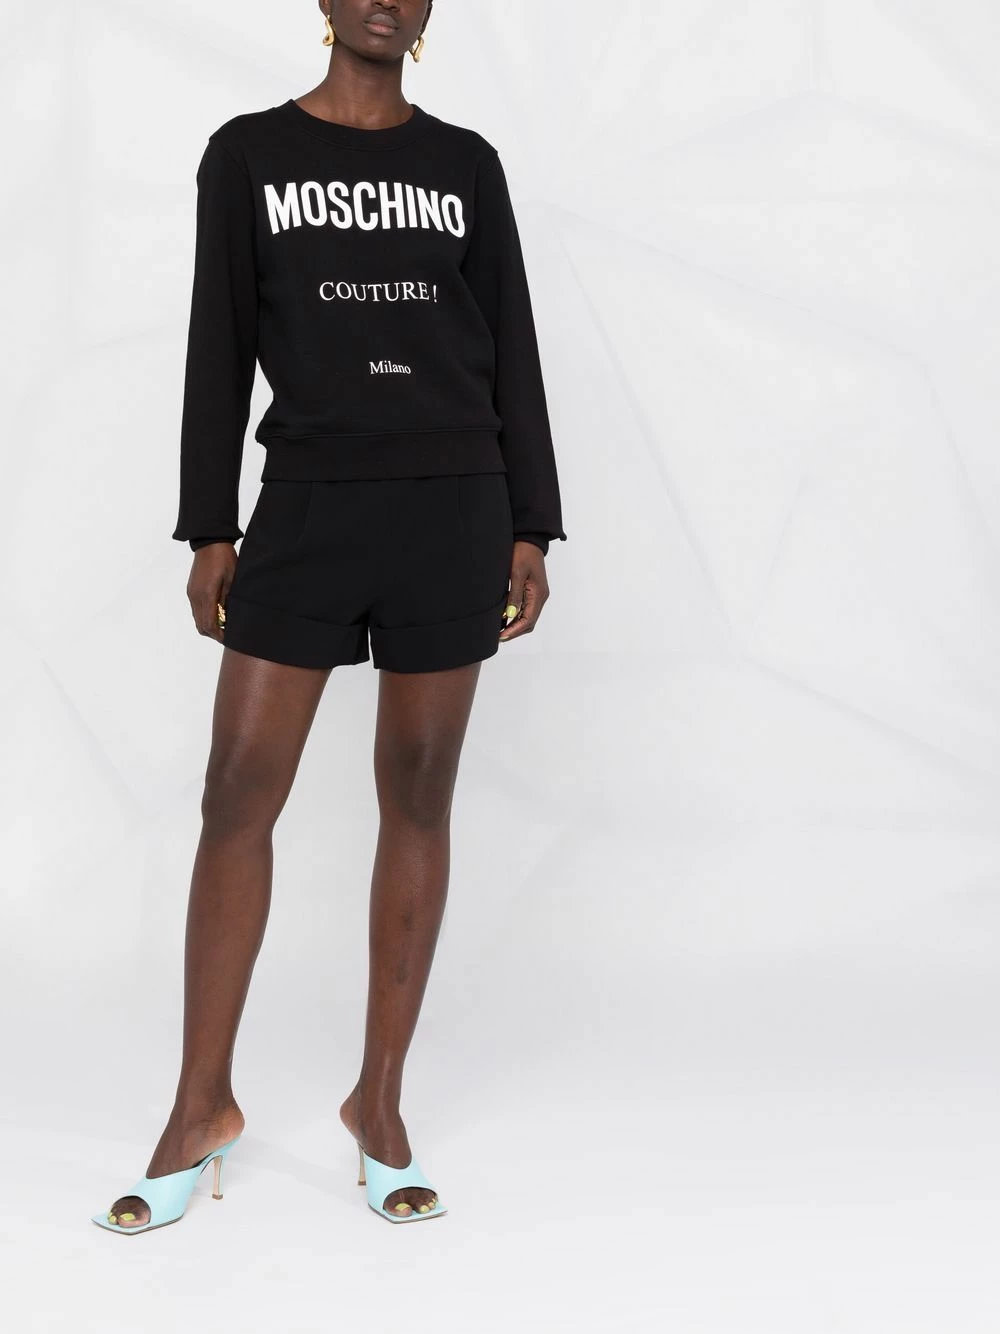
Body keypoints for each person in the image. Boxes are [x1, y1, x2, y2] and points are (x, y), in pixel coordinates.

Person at [91, 0, 566, 1234]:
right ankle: (199, 1105)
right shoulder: (249, 153)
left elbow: (510, 339)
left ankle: (380, 1105)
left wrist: (532, 520)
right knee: (238, 789)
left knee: (418, 790)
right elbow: (218, 341)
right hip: (306, 503)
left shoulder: (465, 164)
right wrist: (209, 523)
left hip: (453, 500)